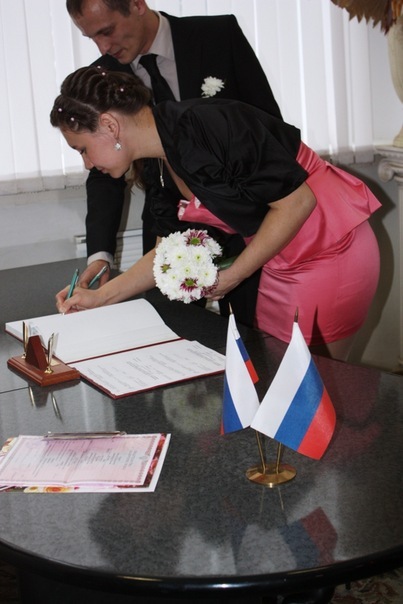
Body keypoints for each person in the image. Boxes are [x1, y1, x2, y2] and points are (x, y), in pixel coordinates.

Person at [50, 66, 381, 361]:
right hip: (273, 260)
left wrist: (234, 275)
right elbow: (166, 253)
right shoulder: (158, 163)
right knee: (272, 375)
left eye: (83, 149)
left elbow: (298, 202)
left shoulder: (207, 124)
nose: (87, 164)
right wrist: (100, 297)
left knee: (310, 385)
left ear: (110, 125)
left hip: (327, 247)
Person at [66, 0, 282, 296]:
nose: (103, 47)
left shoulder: (218, 36)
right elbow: (104, 169)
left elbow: (267, 125)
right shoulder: (102, 77)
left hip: (250, 218)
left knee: (253, 320)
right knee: (166, 319)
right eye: (92, 37)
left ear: (136, 5)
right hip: (167, 224)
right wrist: (100, 256)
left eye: (107, 31)